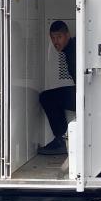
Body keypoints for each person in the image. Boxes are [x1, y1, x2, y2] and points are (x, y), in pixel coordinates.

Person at [38, 20, 76, 155]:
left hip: (88, 96)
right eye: (53, 38)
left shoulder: (73, 50)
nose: (56, 42)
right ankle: (62, 139)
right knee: (49, 97)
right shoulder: (69, 49)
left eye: (59, 37)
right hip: (83, 92)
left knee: (47, 97)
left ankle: (62, 141)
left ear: (67, 35)